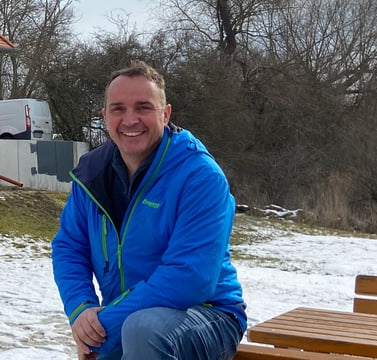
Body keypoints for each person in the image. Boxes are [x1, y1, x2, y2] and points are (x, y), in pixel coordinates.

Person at [51, 60, 246, 360]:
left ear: (165, 114)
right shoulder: (91, 175)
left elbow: (190, 278)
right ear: (104, 116)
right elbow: (69, 247)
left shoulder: (199, 176)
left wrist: (103, 327)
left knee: (142, 330)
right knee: (135, 330)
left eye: (143, 107)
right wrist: (82, 310)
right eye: (118, 108)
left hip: (209, 315)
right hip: (126, 318)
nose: (130, 119)